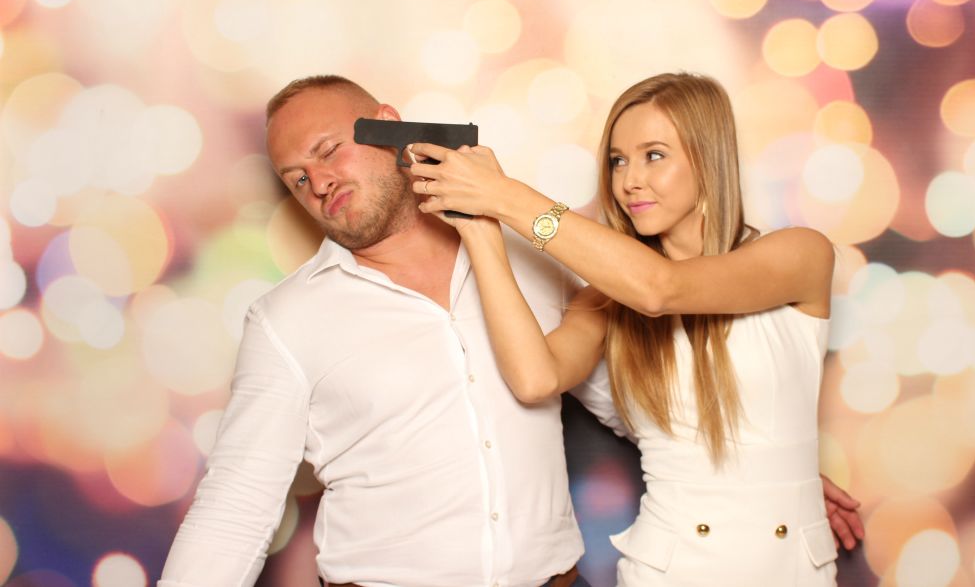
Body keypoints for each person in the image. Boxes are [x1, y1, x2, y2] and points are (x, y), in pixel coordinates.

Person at [158, 75, 862, 587]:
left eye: (329, 150)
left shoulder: (542, 265)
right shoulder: (288, 321)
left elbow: (613, 387)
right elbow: (236, 506)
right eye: (295, 177)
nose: (318, 182)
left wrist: (755, 465)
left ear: (389, 126)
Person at [409, 71, 857, 585]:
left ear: (707, 157)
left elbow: (661, 290)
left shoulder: (801, 254)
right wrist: (482, 230)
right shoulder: (607, 297)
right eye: (618, 160)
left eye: (654, 155)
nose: (629, 181)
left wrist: (505, 196)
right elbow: (535, 378)